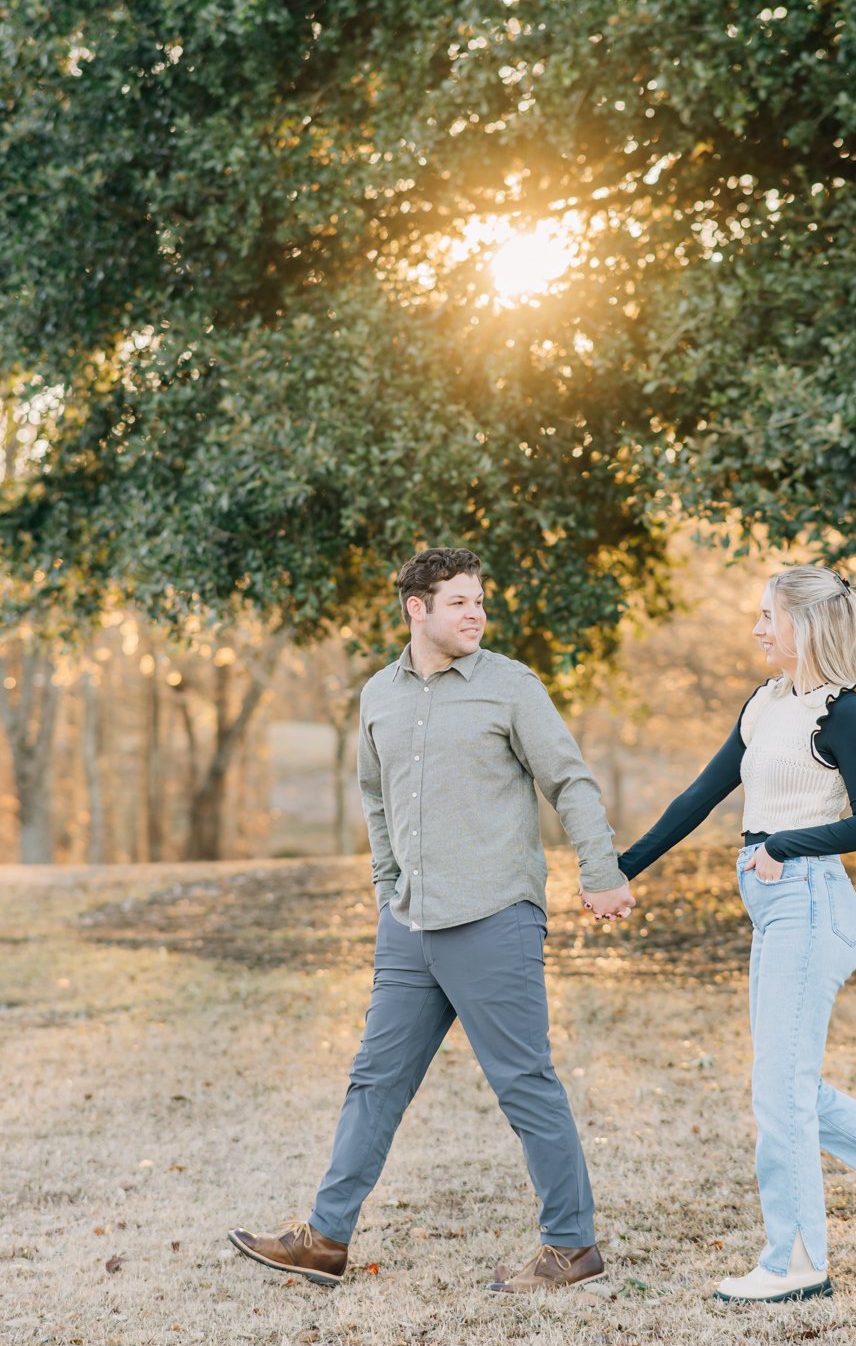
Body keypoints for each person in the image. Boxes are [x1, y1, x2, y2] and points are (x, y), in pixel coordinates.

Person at [229, 546, 636, 1294]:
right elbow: (375, 800)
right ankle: (324, 1240)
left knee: (524, 1084)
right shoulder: (377, 695)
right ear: (416, 608)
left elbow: (569, 781)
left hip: (493, 915)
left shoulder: (511, 687)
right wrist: (387, 887)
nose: (475, 613)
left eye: (479, 601)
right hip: (410, 923)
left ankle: (570, 1249)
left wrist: (600, 869)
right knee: (373, 1081)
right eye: (459, 602)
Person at [619, 565, 856, 1304]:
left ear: (804, 626)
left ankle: (795, 1262)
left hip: (810, 898)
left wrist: (783, 848)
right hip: (774, 901)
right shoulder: (764, 703)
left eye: (768, 617)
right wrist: (620, 867)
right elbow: (701, 794)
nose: (757, 629)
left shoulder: (842, 712)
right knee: (784, 1087)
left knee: (779, 1091)